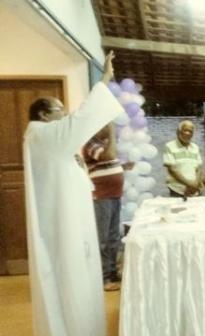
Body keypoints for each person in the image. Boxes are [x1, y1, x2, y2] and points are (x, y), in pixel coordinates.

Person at [24, 51, 123, 335]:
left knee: (77, 271)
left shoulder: (47, 137)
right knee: (68, 275)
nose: (65, 114)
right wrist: (104, 79)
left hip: (67, 215)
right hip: (61, 223)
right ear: (44, 114)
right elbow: (80, 120)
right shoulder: (43, 133)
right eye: (59, 110)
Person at [83, 124, 131, 292]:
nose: (107, 128)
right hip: (102, 196)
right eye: (104, 125)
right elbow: (108, 155)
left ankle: (112, 272)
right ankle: (104, 278)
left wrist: (122, 167)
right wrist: (111, 134)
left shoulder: (104, 144)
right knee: (103, 239)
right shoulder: (90, 144)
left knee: (113, 236)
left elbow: (108, 162)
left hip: (113, 194)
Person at [163, 120, 203, 197]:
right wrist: (189, 184)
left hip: (194, 191)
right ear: (178, 132)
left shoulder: (195, 147)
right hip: (177, 191)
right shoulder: (169, 146)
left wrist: (196, 185)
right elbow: (172, 170)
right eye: (185, 130)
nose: (188, 133)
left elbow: (199, 169)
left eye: (190, 131)